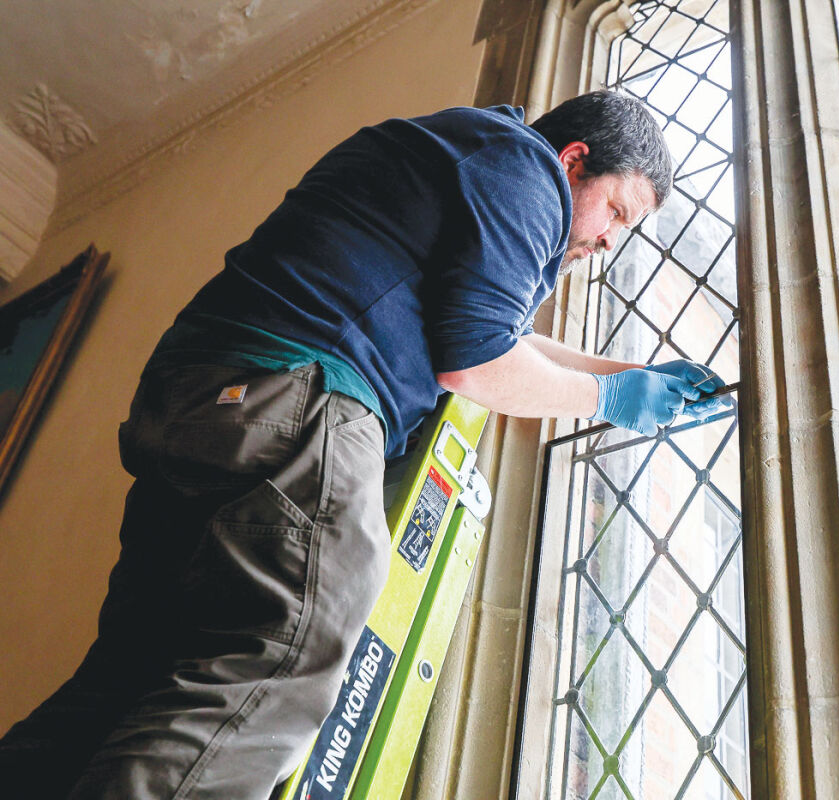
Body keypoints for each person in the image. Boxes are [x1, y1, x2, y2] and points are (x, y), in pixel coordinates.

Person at [0, 91, 726, 798]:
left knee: (131, 679)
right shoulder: (525, 169)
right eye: (616, 214)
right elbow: (474, 359)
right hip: (295, 396)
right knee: (292, 648)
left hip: (206, 402)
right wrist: (608, 399)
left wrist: (628, 376)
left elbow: (499, 331)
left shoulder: (467, 151)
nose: (605, 243)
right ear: (573, 161)